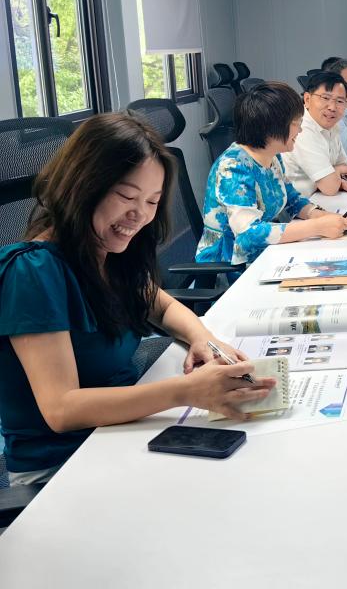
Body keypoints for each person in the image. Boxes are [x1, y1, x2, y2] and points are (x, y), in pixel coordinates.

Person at [0, 114, 277, 485]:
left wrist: (202, 338)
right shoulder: (34, 271)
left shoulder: (109, 253)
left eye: (152, 201)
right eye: (127, 197)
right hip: (61, 468)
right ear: (83, 186)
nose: (140, 215)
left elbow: (163, 306)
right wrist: (186, 391)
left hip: (118, 434)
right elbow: (61, 409)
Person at [196, 81, 347, 266]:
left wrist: (320, 215)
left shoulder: (272, 157)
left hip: (267, 254)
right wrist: (316, 227)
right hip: (231, 264)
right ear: (271, 127)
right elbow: (249, 234)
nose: (300, 130)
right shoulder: (233, 167)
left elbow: (292, 199)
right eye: (296, 123)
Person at [283, 70, 347, 197]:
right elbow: (330, 187)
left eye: (340, 101)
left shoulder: (331, 125)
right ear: (307, 99)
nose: (332, 107)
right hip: (295, 203)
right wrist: (335, 172)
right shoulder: (301, 129)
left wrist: (334, 174)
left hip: (315, 198)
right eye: (325, 98)